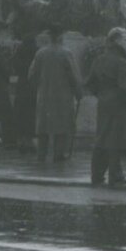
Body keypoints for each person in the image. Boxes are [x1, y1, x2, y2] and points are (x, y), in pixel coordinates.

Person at [86, 27, 126, 186]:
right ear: (117, 41)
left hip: (104, 101)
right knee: (115, 140)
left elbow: (90, 82)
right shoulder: (121, 61)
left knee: (101, 137)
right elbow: (125, 87)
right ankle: (115, 174)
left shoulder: (99, 59)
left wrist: (101, 94)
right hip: (118, 104)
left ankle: (97, 174)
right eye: (125, 39)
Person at [29, 27, 81, 164]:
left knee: (43, 129)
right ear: (60, 37)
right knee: (62, 127)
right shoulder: (66, 53)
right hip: (62, 96)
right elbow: (73, 77)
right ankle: (58, 155)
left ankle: (41, 155)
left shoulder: (40, 53)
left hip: (44, 95)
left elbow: (32, 75)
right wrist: (78, 92)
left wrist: (38, 88)